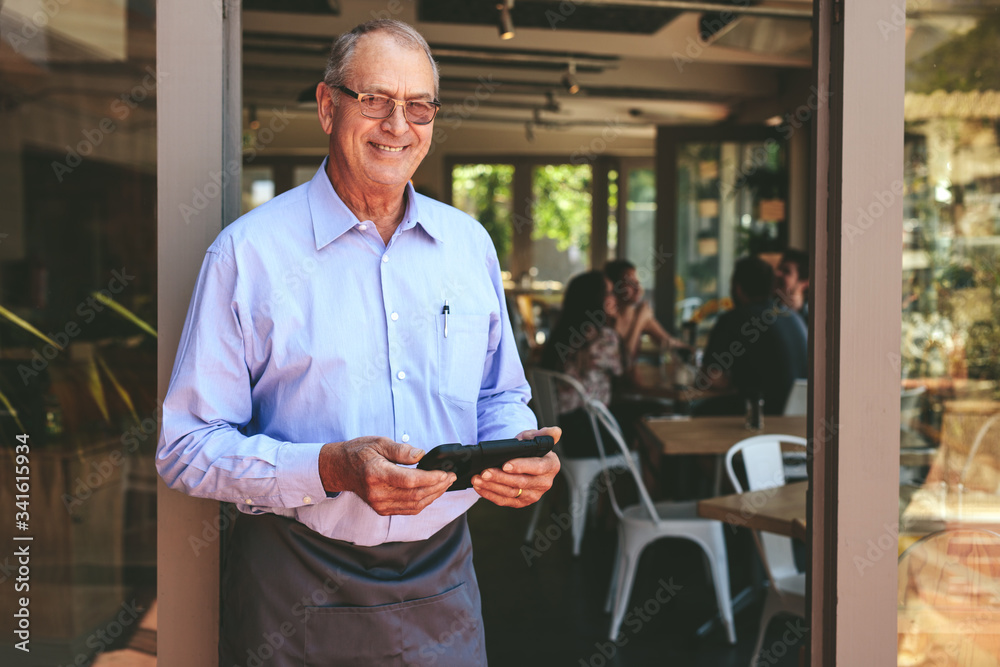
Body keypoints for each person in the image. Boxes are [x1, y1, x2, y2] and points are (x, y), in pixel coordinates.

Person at [156, 20, 559, 667]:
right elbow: (185, 449)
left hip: (443, 578)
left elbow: (501, 391)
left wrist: (516, 448)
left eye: (418, 105)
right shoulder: (248, 254)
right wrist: (330, 468)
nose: (398, 124)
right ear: (326, 106)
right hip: (295, 581)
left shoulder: (469, 246)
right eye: (374, 99)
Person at [539, 270, 639, 457]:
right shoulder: (603, 337)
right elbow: (627, 372)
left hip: (559, 431)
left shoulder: (561, 334)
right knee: (646, 424)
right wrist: (638, 322)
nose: (615, 297)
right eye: (609, 293)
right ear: (596, 298)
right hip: (589, 432)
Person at [693, 255, 808, 416]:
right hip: (797, 420)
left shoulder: (733, 318)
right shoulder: (794, 317)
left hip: (760, 415)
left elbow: (708, 379)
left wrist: (732, 382)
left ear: (738, 288)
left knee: (696, 411)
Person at [604, 259, 689, 362]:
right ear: (614, 286)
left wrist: (693, 352)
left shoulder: (641, 315)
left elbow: (667, 342)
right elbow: (621, 362)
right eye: (630, 283)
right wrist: (639, 320)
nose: (637, 288)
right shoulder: (606, 320)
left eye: (637, 282)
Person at [775, 248, 809, 323]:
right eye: (779, 268)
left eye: (786, 271)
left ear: (804, 283)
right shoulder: (765, 309)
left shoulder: (812, 319)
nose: (777, 274)